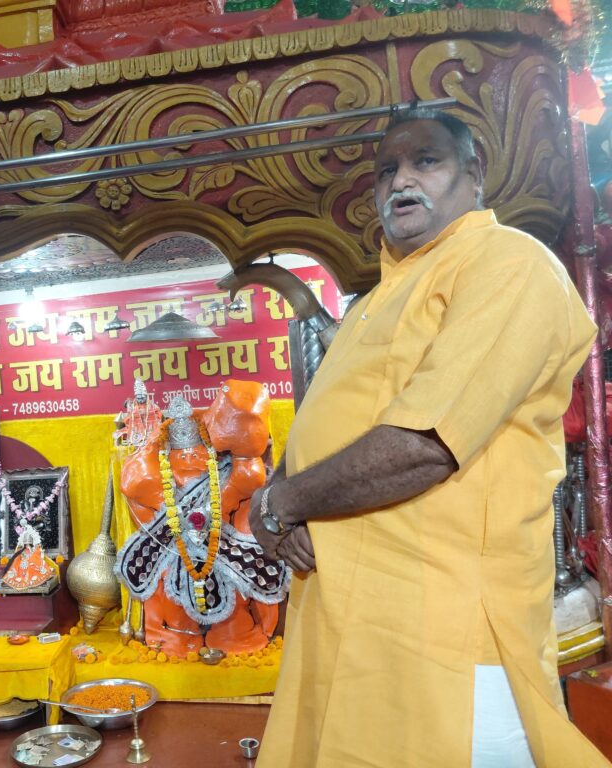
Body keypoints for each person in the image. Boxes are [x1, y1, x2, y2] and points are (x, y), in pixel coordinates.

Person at [249, 109, 610, 767]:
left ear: (474, 174)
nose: (401, 181)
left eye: (426, 161)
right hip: (345, 626)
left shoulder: (507, 263)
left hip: (442, 637)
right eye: (386, 171)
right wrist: (273, 503)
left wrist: (280, 502)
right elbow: (329, 431)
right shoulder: (377, 299)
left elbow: (426, 445)